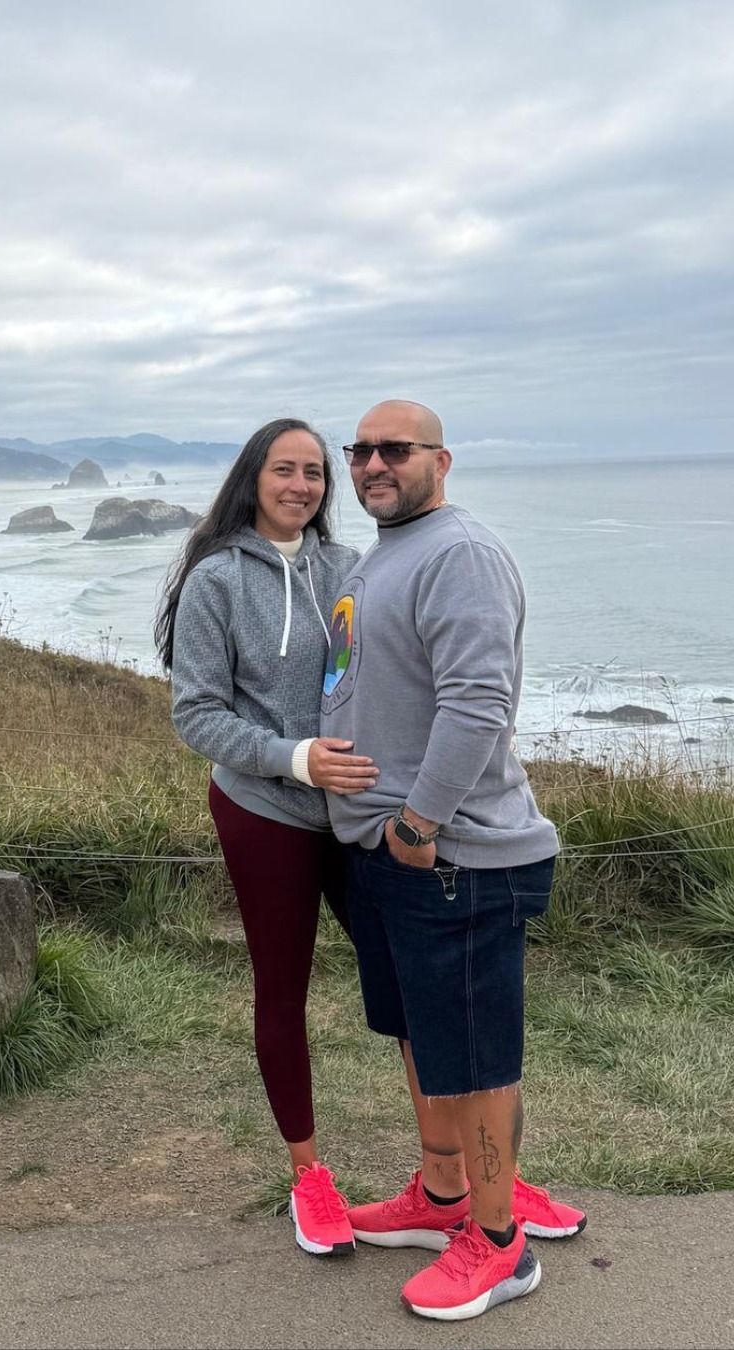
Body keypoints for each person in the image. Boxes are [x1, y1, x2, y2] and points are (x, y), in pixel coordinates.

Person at [321, 398, 586, 1322]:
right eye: (359, 450)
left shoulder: (459, 554)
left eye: (395, 449)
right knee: (426, 1042)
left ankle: (501, 1241)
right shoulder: (382, 556)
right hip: (393, 858)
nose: (372, 465)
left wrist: (416, 823)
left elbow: (478, 704)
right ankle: (442, 1199)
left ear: (442, 459)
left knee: (475, 1057)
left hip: (453, 856)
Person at [156, 417, 378, 1258]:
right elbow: (197, 715)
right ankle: (310, 1178)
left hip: (356, 810)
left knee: (406, 979)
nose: (301, 486)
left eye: (315, 473)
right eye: (285, 470)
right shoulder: (218, 580)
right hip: (264, 808)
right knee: (281, 991)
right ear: (254, 479)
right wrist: (296, 760)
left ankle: (457, 1168)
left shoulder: (349, 569)